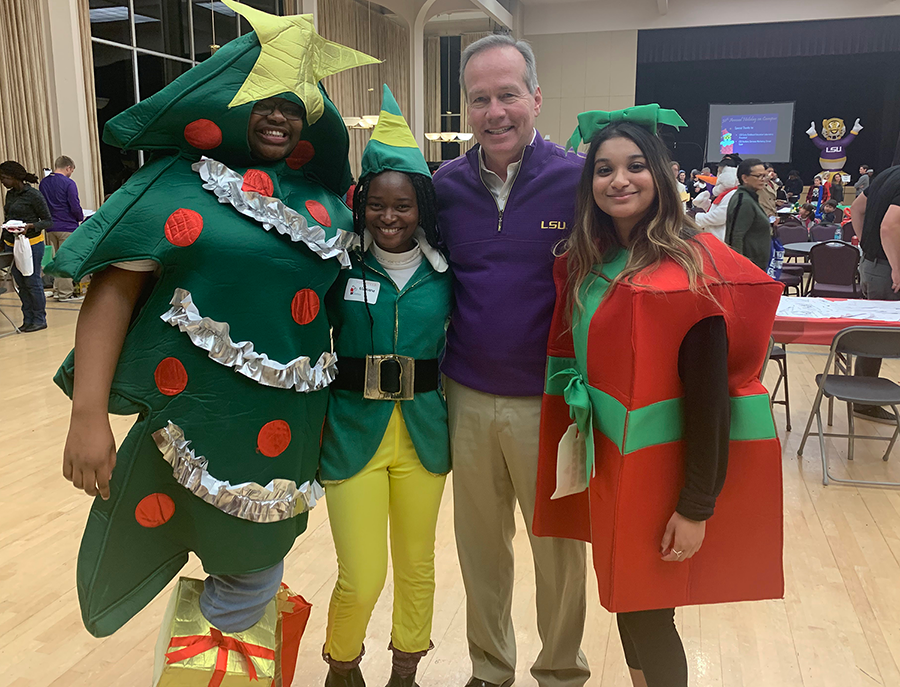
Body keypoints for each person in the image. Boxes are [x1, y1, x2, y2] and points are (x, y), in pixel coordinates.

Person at [49, 2, 377, 679]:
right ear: (228, 100)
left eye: (294, 104)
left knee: (254, 565)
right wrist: (87, 416)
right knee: (236, 577)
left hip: (291, 430)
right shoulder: (179, 184)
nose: (279, 115)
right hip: (198, 420)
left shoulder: (324, 202)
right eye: (263, 100)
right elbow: (112, 293)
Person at [533, 115, 784, 687]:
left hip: (664, 475)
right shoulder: (594, 263)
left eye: (634, 166)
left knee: (648, 612)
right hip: (612, 465)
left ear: (661, 176)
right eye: (603, 169)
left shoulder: (693, 272)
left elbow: (710, 402)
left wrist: (697, 505)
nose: (618, 180)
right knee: (628, 600)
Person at [432, 34, 590, 687]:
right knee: (479, 547)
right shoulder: (443, 188)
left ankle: (559, 669)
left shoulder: (580, 180)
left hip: (551, 399)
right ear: (466, 109)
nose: (495, 112)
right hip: (464, 392)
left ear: (535, 97)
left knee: (557, 549)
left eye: (507, 95)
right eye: (479, 99)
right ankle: (489, 667)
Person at [320, 86, 452, 687]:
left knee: (417, 566)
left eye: (403, 205)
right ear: (361, 204)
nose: (390, 217)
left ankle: (407, 668)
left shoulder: (449, 274)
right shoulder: (337, 267)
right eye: (378, 205)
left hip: (424, 433)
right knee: (362, 572)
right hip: (351, 432)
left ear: (421, 205)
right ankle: (342, 666)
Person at [849, 165, 900, 424]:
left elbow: (856, 209)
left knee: (875, 334)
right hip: (888, 271)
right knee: (877, 338)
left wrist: (866, 245)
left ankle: (865, 399)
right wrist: (896, 267)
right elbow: (889, 227)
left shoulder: (887, 174)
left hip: (872, 265)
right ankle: (865, 402)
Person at [0, 160, 51, 332]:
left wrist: (30, 226)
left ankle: (39, 318)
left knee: (32, 281)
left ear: (14, 177)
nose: (2, 182)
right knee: (21, 283)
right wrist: (2, 240)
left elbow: (48, 221)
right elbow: (7, 219)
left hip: (31, 244)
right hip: (11, 243)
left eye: (4, 178)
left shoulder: (34, 195)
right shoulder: (10, 195)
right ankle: (28, 318)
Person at [39, 155, 85, 301]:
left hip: (51, 226)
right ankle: (66, 293)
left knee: (57, 259)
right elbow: (74, 205)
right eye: (72, 170)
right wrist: (80, 218)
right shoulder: (69, 183)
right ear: (68, 168)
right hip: (67, 226)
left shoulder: (44, 183)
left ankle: (58, 290)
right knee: (67, 260)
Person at [725, 158, 772, 271]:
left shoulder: (750, 198)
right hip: (748, 269)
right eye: (758, 176)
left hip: (757, 267)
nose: (763, 180)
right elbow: (735, 237)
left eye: (764, 176)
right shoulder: (744, 201)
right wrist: (739, 268)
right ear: (744, 178)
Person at [694, 164, 738, 241]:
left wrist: (699, 217)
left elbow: (720, 216)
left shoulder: (733, 194)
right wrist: (705, 204)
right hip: (714, 236)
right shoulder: (725, 194)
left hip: (721, 238)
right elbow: (717, 210)